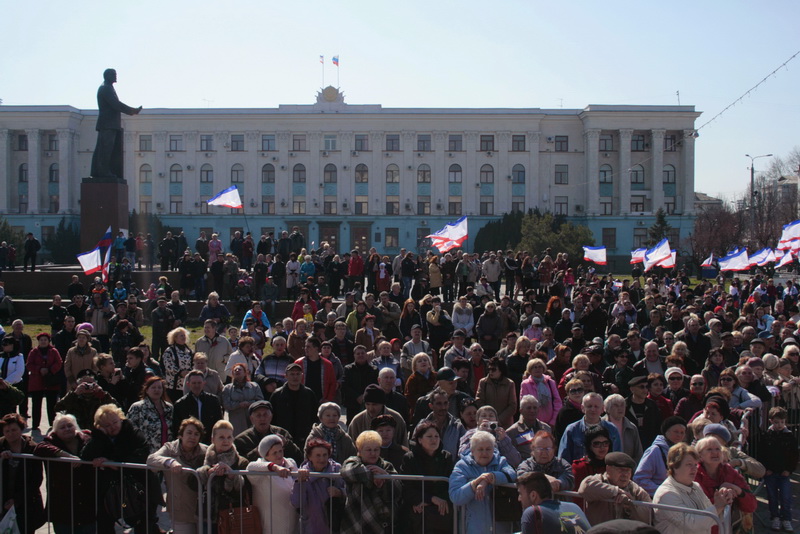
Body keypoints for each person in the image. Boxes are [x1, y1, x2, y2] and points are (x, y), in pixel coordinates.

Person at [81, 404, 162, 534]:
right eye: (107, 426)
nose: (112, 427)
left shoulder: (134, 433)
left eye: (115, 422)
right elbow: (85, 456)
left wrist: (113, 463)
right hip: (110, 491)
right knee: (104, 524)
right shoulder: (99, 437)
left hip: (139, 488)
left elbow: (142, 457)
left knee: (145, 524)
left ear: (121, 419)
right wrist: (99, 436)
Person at [33, 413, 96, 534]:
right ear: (55, 431)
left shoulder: (86, 438)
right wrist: (66, 456)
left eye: (70, 425)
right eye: (62, 427)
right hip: (62, 506)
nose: (67, 429)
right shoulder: (51, 442)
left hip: (87, 503)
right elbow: (39, 448)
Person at [653, 443, 733, 534]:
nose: (694, 469)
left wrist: (723, 500)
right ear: (674, 466)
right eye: (689, 464)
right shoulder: (667, 494)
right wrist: (718, 506)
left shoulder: (696, 486)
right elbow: (692, 525)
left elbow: (713, 517)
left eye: (695, 465)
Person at [146, 417, 208, 534]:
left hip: (202, 509)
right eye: (189, 433)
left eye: (196, 434)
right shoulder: (170, 448)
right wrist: (170, 462)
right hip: (180, 509)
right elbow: (151, 459)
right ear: (181, 434)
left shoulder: (206, 451)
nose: (192, 437)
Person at [449, 430, 517, 534]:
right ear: (472, 450)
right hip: (473, 527)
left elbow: (511, 475)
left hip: (500, 528)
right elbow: (456, 496)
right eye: (480, 449)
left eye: (488, 449)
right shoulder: (462, 466)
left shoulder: (500, 461)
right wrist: (474, 483)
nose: (484, 453)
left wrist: (489, 478)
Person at [340, 430, 401, 534]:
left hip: (381, 521)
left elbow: (397, 490)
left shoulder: (386, 466)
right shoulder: (352, 461)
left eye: (376, 449)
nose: (373, 453)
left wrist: (385, 477)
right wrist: (373, 475)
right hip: (356, 519)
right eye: (368, 450)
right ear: (359, 450)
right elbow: (347, 471)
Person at [400, 421, 454, 534]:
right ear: (419, 439)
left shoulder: (446, 457)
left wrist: (438, 500)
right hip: (417, 514)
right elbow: (406, 487)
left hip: (441, 514)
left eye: (436, 436)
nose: (434, 440)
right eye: (429, 436)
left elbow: (452, 484)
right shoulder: (410, 459)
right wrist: (428, 499)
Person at [694, 436, 756, 533]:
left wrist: (737, 490)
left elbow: (751, 506)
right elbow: (701, 507)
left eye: (718, 449)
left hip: (727, 527)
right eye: (709, 449)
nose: (715, 452)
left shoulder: (729, 471)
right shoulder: (694, 474)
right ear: (700, 455)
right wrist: (725, 495)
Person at [90, 68, 141, 180]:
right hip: (107, 124)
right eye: (113, 74)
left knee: (104, 148)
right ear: (107, 76)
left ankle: (100, 171)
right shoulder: (105, 88)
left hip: (109, 124)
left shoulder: (108, 88)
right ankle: (103, 172)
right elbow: (116, 105)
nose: (115, 76)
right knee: (105, 149)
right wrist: (132, 111)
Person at [197, 420, 249, 527]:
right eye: (221, 437)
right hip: (207, 515)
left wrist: (232, 476)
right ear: (213, 439)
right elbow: (192, 483)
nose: (226, 441)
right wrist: (207, 472)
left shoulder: (241, 461)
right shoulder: (203, 457)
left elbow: (244, 492)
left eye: (229, 437)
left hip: (232, 516)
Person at [0, 413, 45, 534]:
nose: (10, 433)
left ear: (22, 429)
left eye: (14, 430)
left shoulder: (32, 448)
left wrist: (17, 500)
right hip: (2, 502)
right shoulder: (1, 446)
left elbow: (36, 479)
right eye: (7, 431)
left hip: (26, 503)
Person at [578, 451, 651, 525]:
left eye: (628, 471)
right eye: (621, 470)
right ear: (608, 469)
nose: (625, 475)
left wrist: (630, 505)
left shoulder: (635, 489)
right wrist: (616, 491)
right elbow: (585, 487)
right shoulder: (599, 480)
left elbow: (649, 515)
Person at [291, 438, 346, 534]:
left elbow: (349, 492)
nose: (322, 459)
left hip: (335, 527)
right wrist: (300, 483)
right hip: (311, 528)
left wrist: (339, 492)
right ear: (309, 457)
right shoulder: (302, 473)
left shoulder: (337, 469)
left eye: (325, 455)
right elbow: (296, 503)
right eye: (318, 455)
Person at [246, 435, 299, 534]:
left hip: (291, 519)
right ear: (266, 456)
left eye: (280, 451)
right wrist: (274, 467)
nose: (279, 455)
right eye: (274, 453)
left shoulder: (290, 463)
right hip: (270, 524)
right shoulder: (261, 468)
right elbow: (250, 467)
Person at [758, 406, 798, 532]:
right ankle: (775, 517)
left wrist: (789, 470)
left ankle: (786, 519)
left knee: (786, 497)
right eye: (776, 422)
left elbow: (794, 455)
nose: (779, 425)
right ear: (771, 421)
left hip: (784, 473)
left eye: (782, 422)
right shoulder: (766, 435)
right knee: (772, 496)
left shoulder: (790, 436)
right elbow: (762, 453)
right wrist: (766, 468)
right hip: (770, 472)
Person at [516, 471, 590, 534]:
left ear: (533, 495)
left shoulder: (532, 512)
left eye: (520, 494)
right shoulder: (574, 507)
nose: (519, 499)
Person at [558, 392, 621, 463]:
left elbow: (618, 456)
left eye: (596, 406)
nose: (593, 409)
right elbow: (563, 459)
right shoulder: (572, 430)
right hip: (580, 472)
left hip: (606, 472)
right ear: (582, 408)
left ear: (603, 409)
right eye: (589, 406)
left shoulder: (612, 429)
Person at [270, 363, 319, 446]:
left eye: (298, 374)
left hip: (305, 437)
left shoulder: (309, 394)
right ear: (286, 376)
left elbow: (315, 416)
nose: (295, 377)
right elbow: (272, 417)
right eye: (292, 374)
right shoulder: (277, 395)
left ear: (302, 375)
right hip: (283, 438)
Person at [126, 375, 174, 453]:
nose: (157, 390)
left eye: (159, 388)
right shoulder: (137, 407)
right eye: (153, 388)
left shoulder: (169, 408)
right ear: (147, 390)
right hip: (145, 453)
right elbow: (128, 431)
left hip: (166, 453)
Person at [26, 331, 63, 429]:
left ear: (48, 341)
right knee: (36, 404)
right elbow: (29, 365)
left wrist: (50, 370)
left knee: (52, 404)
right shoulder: (33, 352)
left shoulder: (54, 351)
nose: (43, 342)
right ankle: (35, 424)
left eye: (45, 340)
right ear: (38, 341)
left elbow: (59, 362)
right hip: (37, 381)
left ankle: (52, 423)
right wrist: (39, 369)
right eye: (41, 340)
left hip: (51, 381)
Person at [222, 363, 264, 436]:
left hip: (253, 421)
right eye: (235, 370)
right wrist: (239, 405)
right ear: (233, 374)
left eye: (240, 369)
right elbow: (226, 404)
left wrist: (249, 404)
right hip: (236, 423)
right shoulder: (227, 388)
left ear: (245, 373)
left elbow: (261, 402)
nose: (237, 371)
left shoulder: (254, 386)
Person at [519, 358, 561, 427]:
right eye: (534, 367)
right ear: (530, 369)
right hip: (532, 423)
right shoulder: (525, 384)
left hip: (551, 422)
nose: (537, 369)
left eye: (540, 367)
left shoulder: (550, 382)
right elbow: (524, 405)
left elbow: (557, 402)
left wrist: (553, 421)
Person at [602, 393, 643, 463]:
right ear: (607, 409)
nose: (620, 408)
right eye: (616, 406)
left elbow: (638, 453)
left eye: (622, 405)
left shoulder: (632, 427)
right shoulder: (601, 425)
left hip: (627, 468)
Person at [161, 327, 194, 401]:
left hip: (186, 385)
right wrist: (180, 372)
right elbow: (168, 365)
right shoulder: (169, 351)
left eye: (184, 335)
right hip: (173, 386)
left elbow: (193, 363)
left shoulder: (189, 351)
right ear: (175, 338)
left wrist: (190, 372)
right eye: (181, 335)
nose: (184, 337)